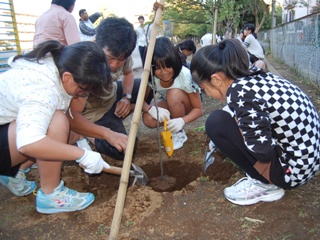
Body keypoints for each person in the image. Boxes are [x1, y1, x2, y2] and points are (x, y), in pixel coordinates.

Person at [190, 38, 320, 206]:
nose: (206, 93)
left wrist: (239, 133)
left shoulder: (241, 94)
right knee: (225, 116)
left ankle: (265, 185)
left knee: (216, 123)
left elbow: (263, 152)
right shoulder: (256, 77)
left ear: (216, 80)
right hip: (309, 160)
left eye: (204, 89)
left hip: (291, 173)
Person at [0, 40, 111, 214]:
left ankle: (12, 173)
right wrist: (82, 155)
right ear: (67, 77)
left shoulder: (57, 63)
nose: (84, 94)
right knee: (57, 121)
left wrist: (82, 143)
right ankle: (50, 195)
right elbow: (28, 142)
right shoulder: (42, 89)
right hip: (17, 138)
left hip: (5, 128)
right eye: (83, 90)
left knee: (61, 125)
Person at [68, 17, 140, 160]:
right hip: (91, 113)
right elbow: (72, 115)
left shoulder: (122, 52)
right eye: (110, 58)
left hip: (110, 98)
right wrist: (106, 133)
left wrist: (126, 97)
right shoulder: (84, 60)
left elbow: (128, 73)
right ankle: (85, 133)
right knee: (120, 150)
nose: (114, 65)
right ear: (96, 43)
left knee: (141, 86)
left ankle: (117, 116)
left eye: (121, 60)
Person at [141, 37, 202, 150]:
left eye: (168, 66)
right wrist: (150, 109)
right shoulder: (150, 77)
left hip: (189, 105)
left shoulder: (185, 76)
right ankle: (171, 126)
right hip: (171, 103)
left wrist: (182, 120)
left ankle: (178, 132)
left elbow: (198, 109)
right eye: (158, 68)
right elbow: (140, 102)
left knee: (172, 94)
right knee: (148, 118)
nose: (164, 72)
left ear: (174, 62)